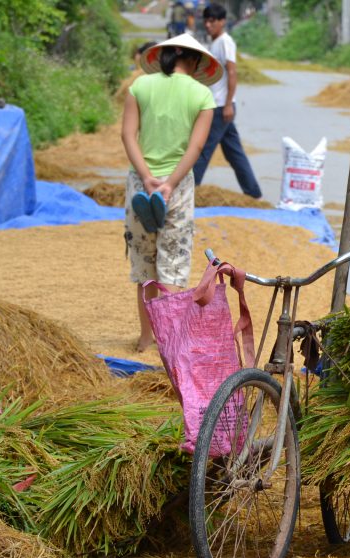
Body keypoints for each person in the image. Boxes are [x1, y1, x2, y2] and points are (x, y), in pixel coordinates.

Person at [122, 33, 221, 352]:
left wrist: (148, 179)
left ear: (165, 55)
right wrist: (168, 183)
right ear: (192, 60)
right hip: (176, 188)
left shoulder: (140, 87)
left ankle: (145, 338)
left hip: (141, 184)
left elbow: (128, 136)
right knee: (173, 265)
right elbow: (198, 146)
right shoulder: (203, 95)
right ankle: (170, 342)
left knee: (145, 266)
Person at [191, 3, 262, 199]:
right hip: (219, 105)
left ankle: (189, 190)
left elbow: (232, 72)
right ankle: (253, 193)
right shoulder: (214, 43)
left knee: (202, 149)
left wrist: (229, 103)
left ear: (222, 22)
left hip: (221, 106)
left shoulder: (225, 42)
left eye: (212, 21)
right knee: (234, 153)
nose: (208, 24)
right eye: (206, 20)